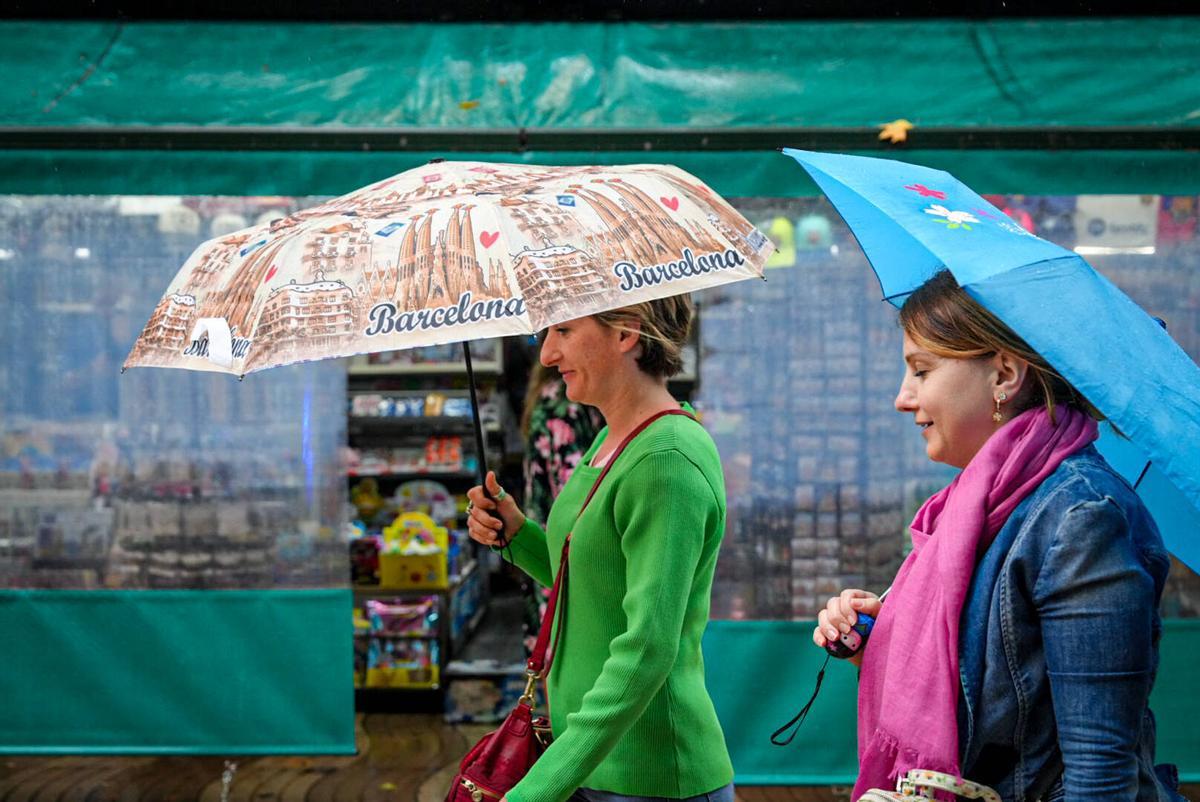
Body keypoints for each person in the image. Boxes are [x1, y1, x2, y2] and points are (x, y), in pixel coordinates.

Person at [814, 270, 1186, 802]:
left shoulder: (1082, 517)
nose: (902, 397)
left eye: (921, 370)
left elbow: (1100, 776)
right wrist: (878, 642)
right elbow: (994, 692)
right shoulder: (976, 509)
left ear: (1004, 376)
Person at [466, 295, 735, 802]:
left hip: (650, 777)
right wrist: (517, 533)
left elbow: (648, 648)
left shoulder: (665, 458)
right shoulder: (617, 438)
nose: (546, 354)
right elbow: (591, 581)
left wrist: (538, 789)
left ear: (626, 333)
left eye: (563, 330)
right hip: (597, 766)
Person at [517, 361, 603, 656]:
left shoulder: (548, 399)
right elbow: (577, 493)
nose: (547, 352)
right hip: (566, 561)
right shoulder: (565, 406)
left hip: (549, 554)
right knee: (562, 658)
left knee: (552, 659)